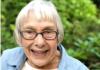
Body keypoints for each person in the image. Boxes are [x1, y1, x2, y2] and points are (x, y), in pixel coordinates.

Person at [1, 0, 89, 70]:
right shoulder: (6, 59)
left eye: (48, 32)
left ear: (58, 35)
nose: (40, 43)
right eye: (30, 32)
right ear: (19, 36)